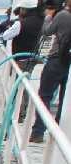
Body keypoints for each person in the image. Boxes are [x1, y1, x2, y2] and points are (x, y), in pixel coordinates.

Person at [30, 0, 71, 142]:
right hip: (69, 64)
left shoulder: (63, 15)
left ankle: (38, 132)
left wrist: (48, 17)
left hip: (57, 60)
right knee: (65, 100)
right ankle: (59, 131)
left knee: (44, 96)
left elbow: (47, 31)